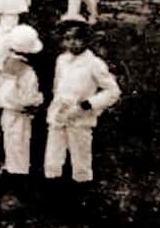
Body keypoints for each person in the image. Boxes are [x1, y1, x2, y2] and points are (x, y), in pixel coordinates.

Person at [44, 20, 122, 183]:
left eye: (77, 38)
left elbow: (112, 91)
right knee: (52, 161)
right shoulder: (62, 60)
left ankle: (81, 196)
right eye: (67, 38)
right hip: (59, 116)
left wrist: (87, 105)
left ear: (86, 40)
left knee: (80, 164)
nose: (72, 43)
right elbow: (57, 87)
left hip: (80, 118)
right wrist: (58, 107)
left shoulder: (94, 63)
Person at [0, 24, 45, 178]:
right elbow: (28, 97)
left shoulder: (7, 64)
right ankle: (17, 179)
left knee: (10, 143)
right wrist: (39, 100)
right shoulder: (27, 72)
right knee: (19, 145)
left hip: (7, 111)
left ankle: (12, 171)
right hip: (19, 113)